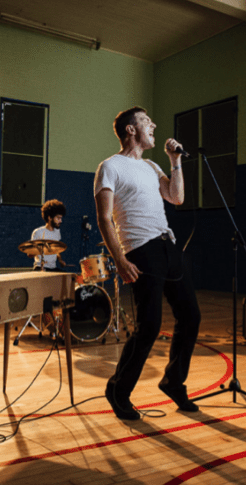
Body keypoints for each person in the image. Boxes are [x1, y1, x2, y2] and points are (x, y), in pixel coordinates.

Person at [94, 106, 202, 420]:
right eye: (145, 121)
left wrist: (175, 161)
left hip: (168, 245)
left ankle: (173, 382)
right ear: (130, 129)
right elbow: (104, 218)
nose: (153, 124)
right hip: (140, 250)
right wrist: (120, 259)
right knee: (150, 325)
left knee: (191, 316)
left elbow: (177, 197)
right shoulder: (110, 166)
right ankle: (118, 390)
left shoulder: (153, 166)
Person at [30, 199, 67, 271]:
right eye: (58, 218)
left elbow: (56, 250)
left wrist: (60, 260)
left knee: (69, 276)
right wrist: (41, 249)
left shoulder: (57, 232)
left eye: (61, 218)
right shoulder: (38, 232)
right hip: (40, 267)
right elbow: (30, 254)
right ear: (49, 218)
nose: (61, 221)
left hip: (53, 267)